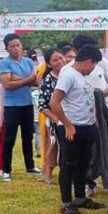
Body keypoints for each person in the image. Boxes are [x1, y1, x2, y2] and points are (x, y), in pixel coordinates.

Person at [49, 45, 108, 214]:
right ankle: (67, 202)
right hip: (72, 128)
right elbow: (54, 102)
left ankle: (80, 197)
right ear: (89, 61)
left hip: (87, 126)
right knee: (68, 164)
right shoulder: (68, 75)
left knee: (83, 164)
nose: (94, 68)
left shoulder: (83, 76)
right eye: (95, 64)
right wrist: (67, 124)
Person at [0, 33, 41, 181]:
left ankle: (30, 165)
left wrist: (18, 78)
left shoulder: (29, 61)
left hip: (27, 104)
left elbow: (35, 82)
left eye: (18, 45)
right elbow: (7, 85)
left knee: (27, 136)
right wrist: (27, 79)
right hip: (11, 106)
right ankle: (6, 169)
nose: (16, 48)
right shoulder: (4, 63)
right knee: (9, 138)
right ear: (6, 49)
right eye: (12, 46)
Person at [38, 49, 66, 185]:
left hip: (71, 118)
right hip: (55, 120)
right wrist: (57, 119)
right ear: (49, 64)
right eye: (55, 60)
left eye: (61, 58)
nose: (60, 62)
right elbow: (43, 105)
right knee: (53, 147)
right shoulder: (47, 80)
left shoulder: (70, 75)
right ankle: (48, 175)